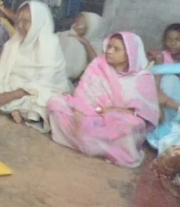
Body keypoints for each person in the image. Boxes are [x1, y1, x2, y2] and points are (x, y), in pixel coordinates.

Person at [47, 32, 159, 168]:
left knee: (129, 125)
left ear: (130, 54)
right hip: (89, 112)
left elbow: (143, 112)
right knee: (56, 103)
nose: (109, 51)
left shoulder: (142, 77)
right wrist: (80, 113)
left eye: (116, 49)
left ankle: (95, 144)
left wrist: (112, 111)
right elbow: (82, 93)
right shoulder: (99, 64)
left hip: (117, 118)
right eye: (109, 46)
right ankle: (92, 143)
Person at [0, 0, 71, 131]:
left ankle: (13, 107)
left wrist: (7, 96)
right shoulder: (14, 42)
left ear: (39, 23)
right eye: (19, 20)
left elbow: (44, 82)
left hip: (36, 90)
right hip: (11, 84)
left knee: (47, 104)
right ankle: (13, 108)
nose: (20, 25)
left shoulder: (50, 44)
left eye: (26, 21)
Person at [146, 24, 180, 152]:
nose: (172, 43)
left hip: (175, 102)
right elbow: (149, 79)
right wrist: (157, 63)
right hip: (161, 98)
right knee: (169, 79)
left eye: (177, 40)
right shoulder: (162, 56)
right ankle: (164, 125)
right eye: (169, 39)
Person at [57, 12, 105, 80]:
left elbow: (98, 66)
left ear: (91, 27)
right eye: (75, 22)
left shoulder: (103, 47)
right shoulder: (71, 38)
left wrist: (86, 43)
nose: (73, 26)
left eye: (78, 24)